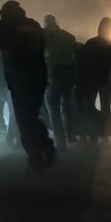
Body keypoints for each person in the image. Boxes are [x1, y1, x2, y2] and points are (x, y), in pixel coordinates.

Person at [0, 0, 55, 172]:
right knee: (31, 116)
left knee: (24, 120)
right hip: (38, 77)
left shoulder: (4, 27)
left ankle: (35, 157)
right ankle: (46, 147)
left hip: (19, 80)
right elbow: (41, 46)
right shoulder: (32, 24)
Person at [75, 17, 111, 140]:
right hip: (106, 81)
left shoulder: (91, 43)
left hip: (91, 80)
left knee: (90, 106)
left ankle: (93, 133)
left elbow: (82, 62)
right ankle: (104, 134)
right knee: (105, 106)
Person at [41, 14, 77, 150]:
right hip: (68, 74)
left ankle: (60, 140)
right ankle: (71, 135)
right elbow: (75, 56)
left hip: (51, 75)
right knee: (67, 105)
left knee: (53, 110)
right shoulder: (69, 36)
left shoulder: (43, 37)